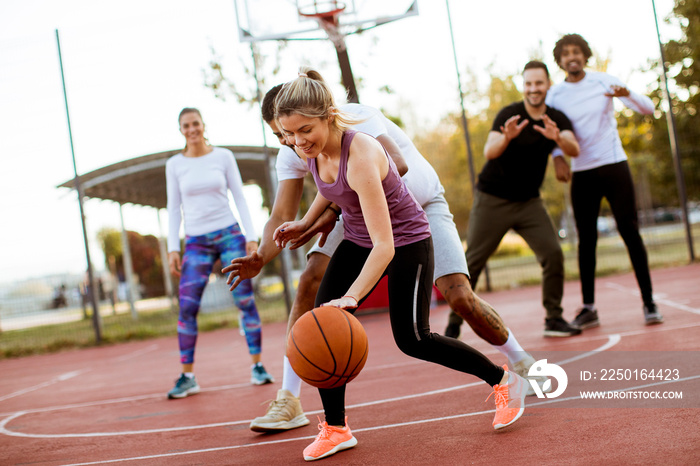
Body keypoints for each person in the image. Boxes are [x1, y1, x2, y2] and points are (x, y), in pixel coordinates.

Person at [228, 82, 551, 433]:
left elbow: (391, 179)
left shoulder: (358, 132)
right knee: (318, 309)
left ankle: (512, 370)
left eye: (300, 131)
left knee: (433, 321)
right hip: (358, 223)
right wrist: (272, 246)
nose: (291, 141)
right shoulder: (301, 144)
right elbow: (314, 193)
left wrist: (352, 292)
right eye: (282, 134)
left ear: (324, 116)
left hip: (411, 219)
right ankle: (320, 419)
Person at [444, 61, 582, 339]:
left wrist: (557, 140)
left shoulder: (555, 118)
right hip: (493, 199)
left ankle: (553, 318)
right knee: (472, 262)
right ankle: (453, 325)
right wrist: (507, 138)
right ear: (524, 86)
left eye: (539, 83)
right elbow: (490, 152)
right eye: (529, 84)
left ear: (547, 85)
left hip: (529, 203)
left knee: (553, 254)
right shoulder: (509, 115)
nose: (533, 89)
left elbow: (574, 148)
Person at [546, 34, 664, 328]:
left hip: (614, 166)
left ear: (585, 56)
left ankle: (649, 302)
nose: (571, 57)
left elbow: (648, 108)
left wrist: (627, 94)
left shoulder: (603, 81)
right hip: (582, 172)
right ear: (560, 61)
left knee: (630, 231)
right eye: (565, 53)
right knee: (587, 241)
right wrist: (558, 157)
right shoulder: (555, 95)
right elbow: (549, 128)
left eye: (577, 52)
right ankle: (589, 308)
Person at [165, 107, 273, 399]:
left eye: (195, 124)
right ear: (181, 130)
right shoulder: (174, 165)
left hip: (229, 234)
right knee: (187, 307)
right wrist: (173, 247)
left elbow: (239, 195)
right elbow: (174, 207)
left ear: (203, 125)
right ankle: (187, 376)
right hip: (196, 241)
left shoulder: (223, 156)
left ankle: (258, 366)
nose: (192, 129)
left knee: (244, 298)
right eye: (186, 125)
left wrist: (251, 238)